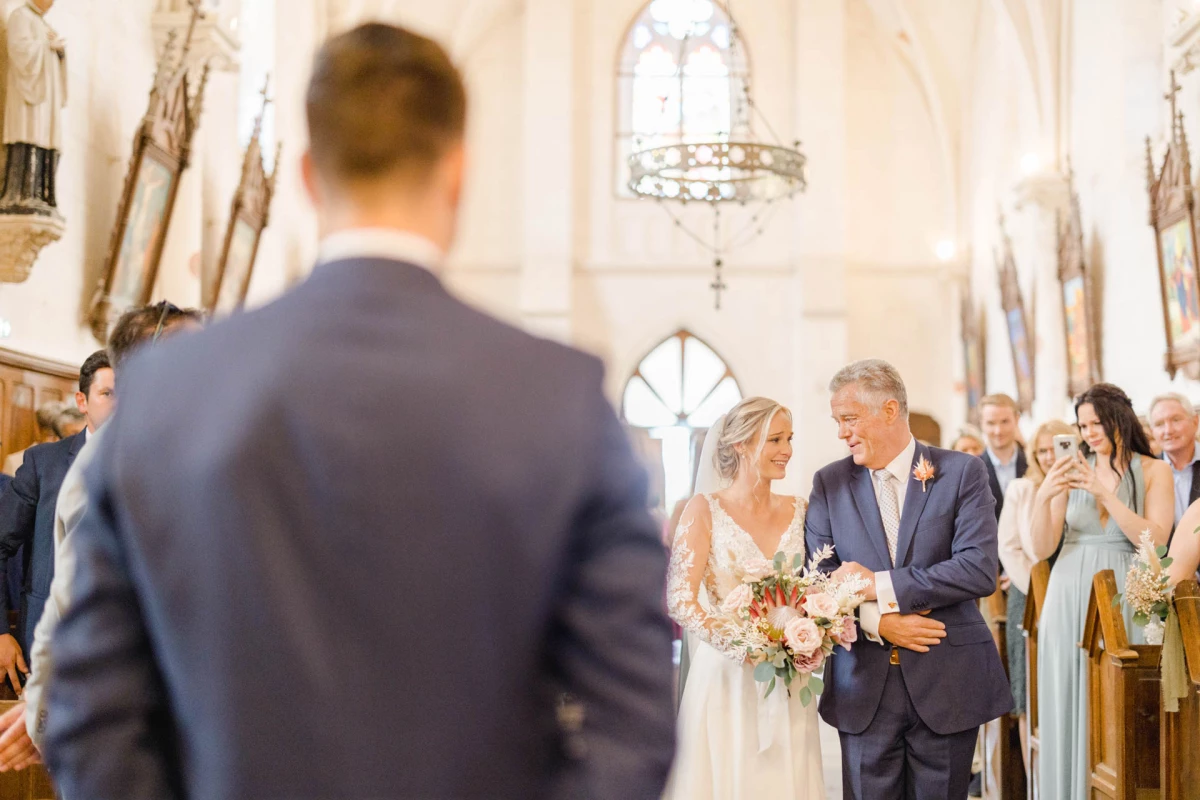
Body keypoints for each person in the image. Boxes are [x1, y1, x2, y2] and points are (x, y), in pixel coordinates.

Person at [42, 23, 676, 800]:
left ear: (308, 176)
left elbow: (88, 712)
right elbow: (633, 719)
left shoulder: (170, 392)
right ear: (458, 172)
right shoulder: (556, 395)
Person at [0, 302, 202, 775]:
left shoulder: (203, 454)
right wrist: (46, 708)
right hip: (101, 695)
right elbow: (70, 599)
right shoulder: (71, 473)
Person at [806, 359, 1011, 799]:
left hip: (947, 678)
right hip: (863, 683)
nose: (842, 432)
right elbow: (819, 580)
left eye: (850, 419)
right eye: (838, 421)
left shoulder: (962, 472)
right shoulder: (830, 483)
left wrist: (879, 586)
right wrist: (880, 623)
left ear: (890, 410)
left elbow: (978, 568)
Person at [663, 398, 823, 799]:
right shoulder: (705, 510)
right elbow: (680, 598)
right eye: (774, 440)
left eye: (789, 439)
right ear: (740, 445)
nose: (786, 450)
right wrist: (742, 646)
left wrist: (813, 626)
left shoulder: (801, 509)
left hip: (787, 678)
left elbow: (814, 586)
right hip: (727, 676)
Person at [1030, 383, 1172, 800]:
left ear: (1118, 419)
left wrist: (1102, 490)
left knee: (1115, 702)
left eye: (1096, 423)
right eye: (1082, 425)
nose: (1088, 433)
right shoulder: (1071, 469)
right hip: (1069, 588)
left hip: (1124, 593)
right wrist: (1046, 494)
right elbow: (1042, 548)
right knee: (1067, 696)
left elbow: (1157, 541)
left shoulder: (1153, 470)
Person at [0, 350, 112, 694]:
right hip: (48, 644)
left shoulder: (154, 467)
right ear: (83, 400)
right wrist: (1, 632)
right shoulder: (44, 464)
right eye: (108, 394)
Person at [996, 419, 1075, 771]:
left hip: (1074, 593)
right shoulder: (1022, 489)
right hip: (1030, 596)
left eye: (1053, 448)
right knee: (1029, 691)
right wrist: (1040, 589)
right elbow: (1010, 547)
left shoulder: (1081, 486)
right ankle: (1035, 778)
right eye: (1040, 450)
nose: (1047, 457)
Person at [1148, 393, 1200, 528]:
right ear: (1152, 431)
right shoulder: (1146, 472)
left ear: (1195, 422)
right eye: (1159, 424)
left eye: (1176, 420)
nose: (1168, 430)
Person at [979, 394, 1027, 519]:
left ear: (1017, 420)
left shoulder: (1033, 463)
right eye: (991, 423)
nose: (998, 431)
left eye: (1005, 422)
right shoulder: (972, 469)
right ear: (982, 424)